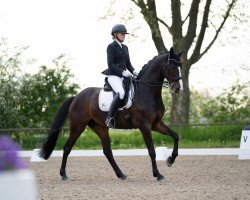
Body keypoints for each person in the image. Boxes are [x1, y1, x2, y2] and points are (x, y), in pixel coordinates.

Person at [102, 24, 139, 128]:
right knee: (121, 92)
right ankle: (110, 117)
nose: (124, 35)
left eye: (124, 34)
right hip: (113, 75)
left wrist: (135, 72)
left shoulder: (125, 47)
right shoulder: (111, 46)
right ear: (115, 34)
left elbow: (128, 64)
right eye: (122, 33)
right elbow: (111, 64)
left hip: (124, 75)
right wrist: (122, 72)